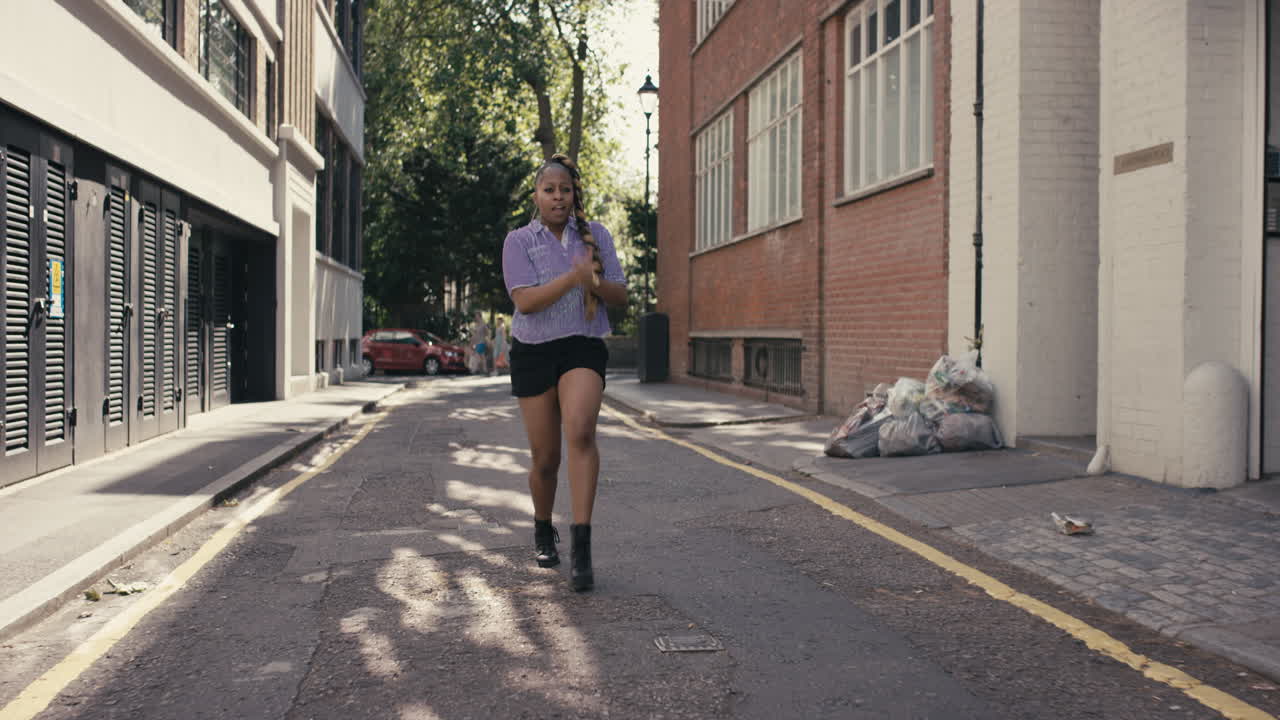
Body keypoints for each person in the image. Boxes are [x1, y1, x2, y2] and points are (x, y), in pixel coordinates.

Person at [502, 153, 628, 591]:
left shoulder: (597, 237)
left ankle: (583, 547)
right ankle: (542, 528)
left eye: (565, 190)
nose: (557, 197)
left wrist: (593, 281)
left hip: (582, 344)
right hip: (533, 351)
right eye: (549, 190)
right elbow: (526, 302)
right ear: (536, 196)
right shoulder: (518, 241)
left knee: (580, 431)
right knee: (546, 459)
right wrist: (575, 279)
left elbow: (622, 296)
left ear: (575, 196)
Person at [468, 310, 489, 375]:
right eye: (475, 316)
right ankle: (484, 370)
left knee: (477, 354)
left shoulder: (483, 324)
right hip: (476, 343)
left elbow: (487, 332)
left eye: (476, 315)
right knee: (482, 356)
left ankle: (474, 370)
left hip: (481, 342)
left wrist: (486, 339)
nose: (475, 317)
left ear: (479, 316)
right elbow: (475, 334)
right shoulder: (476, 324)